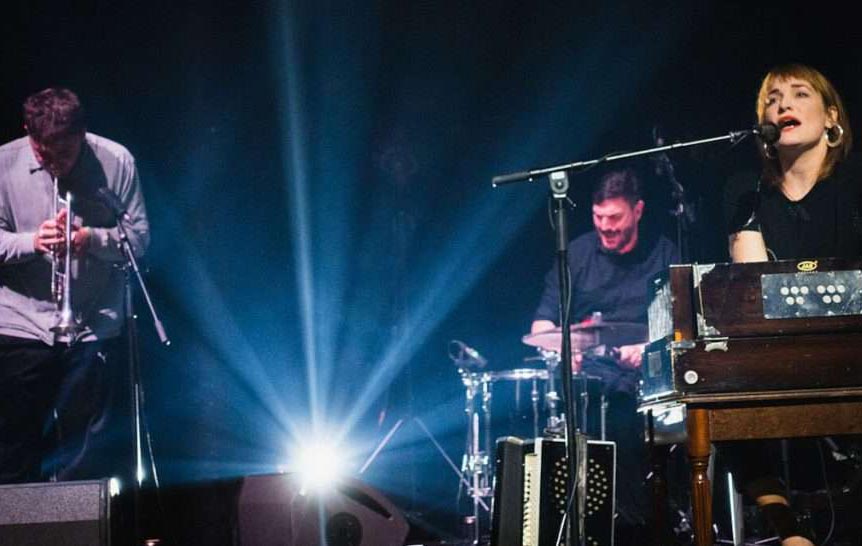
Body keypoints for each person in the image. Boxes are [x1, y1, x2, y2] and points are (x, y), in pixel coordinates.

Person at [724, 63, 859, 546]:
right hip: (780, 347)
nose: (782, 105)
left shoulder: (853, 186)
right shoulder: (747, 193)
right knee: (725, 383)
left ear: (830, 117)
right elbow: (755, 288)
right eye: (772, 99)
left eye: (799, 94)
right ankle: (786, 529)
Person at [0, 88, 150, 484]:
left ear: (82, 134)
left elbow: (137, 241)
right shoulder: (3, 164)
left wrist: (92, 240)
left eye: (63, 155)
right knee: (14, 446)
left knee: (86, 455)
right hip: (20, 321)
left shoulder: (116, 162)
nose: (55, 166)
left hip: (92, 322)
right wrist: (32, 241)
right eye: (43, 154)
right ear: (28, 133)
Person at [531, 168, 678, 539]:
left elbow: (682, 328)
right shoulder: (577, 254)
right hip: (590, 382)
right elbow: (542, 327)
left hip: (648, 381)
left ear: (638, 210)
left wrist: (646, 350)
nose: (606, 227)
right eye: (599, 218)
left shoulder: (664, 252)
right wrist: (566, 351)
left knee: (628, 415)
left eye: (614, 218)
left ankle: (640, 523)